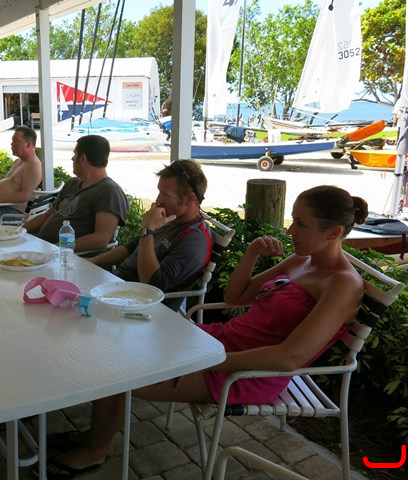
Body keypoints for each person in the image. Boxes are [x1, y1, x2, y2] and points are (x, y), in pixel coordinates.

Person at [45, 185, 368, 479]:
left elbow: (288, 358)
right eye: (293, 220)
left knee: (119, 371)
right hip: (217, 341)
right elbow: (235, 297)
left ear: (333, 232)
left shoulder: (342, 284)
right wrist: (252, 252)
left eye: (300, 224)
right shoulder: (302, 261)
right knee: (117, 344)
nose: (290, 230)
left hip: (248, 371)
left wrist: (208, 358)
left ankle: (95, 448)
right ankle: (97, 436)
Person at [88, 160, 213, 311]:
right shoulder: (169, 218)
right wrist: (91, 261)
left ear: (189, 199)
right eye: (159, 191)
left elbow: (152, 284)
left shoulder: (195, 240)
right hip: (117, 288)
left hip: (139, 308)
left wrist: (147, 229)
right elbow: (131, 248)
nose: (158, 200)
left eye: (165, 194)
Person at [24, 135, 128, 253]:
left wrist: (57, 248)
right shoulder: (72, 183)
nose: (72, 158)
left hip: (66, 256)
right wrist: (18, 231)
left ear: (83, 158)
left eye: (75, 154)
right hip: (43, 247)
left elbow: (101, 239)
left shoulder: (109, 192)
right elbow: (46, 216)